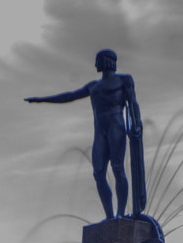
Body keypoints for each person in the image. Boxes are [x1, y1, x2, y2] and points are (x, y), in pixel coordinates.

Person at [26, 49, 146, 220]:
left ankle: (120, 213)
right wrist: (42, 99)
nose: (96, 64)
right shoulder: (93, 86)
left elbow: (133, 104)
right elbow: (70, 96)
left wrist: (137, 124)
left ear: (108, 61)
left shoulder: (123, 80)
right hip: (100, 130)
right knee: (98, 173)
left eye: (98, 60)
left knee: (118, 169)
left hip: (116, 127)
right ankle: (110, 216)